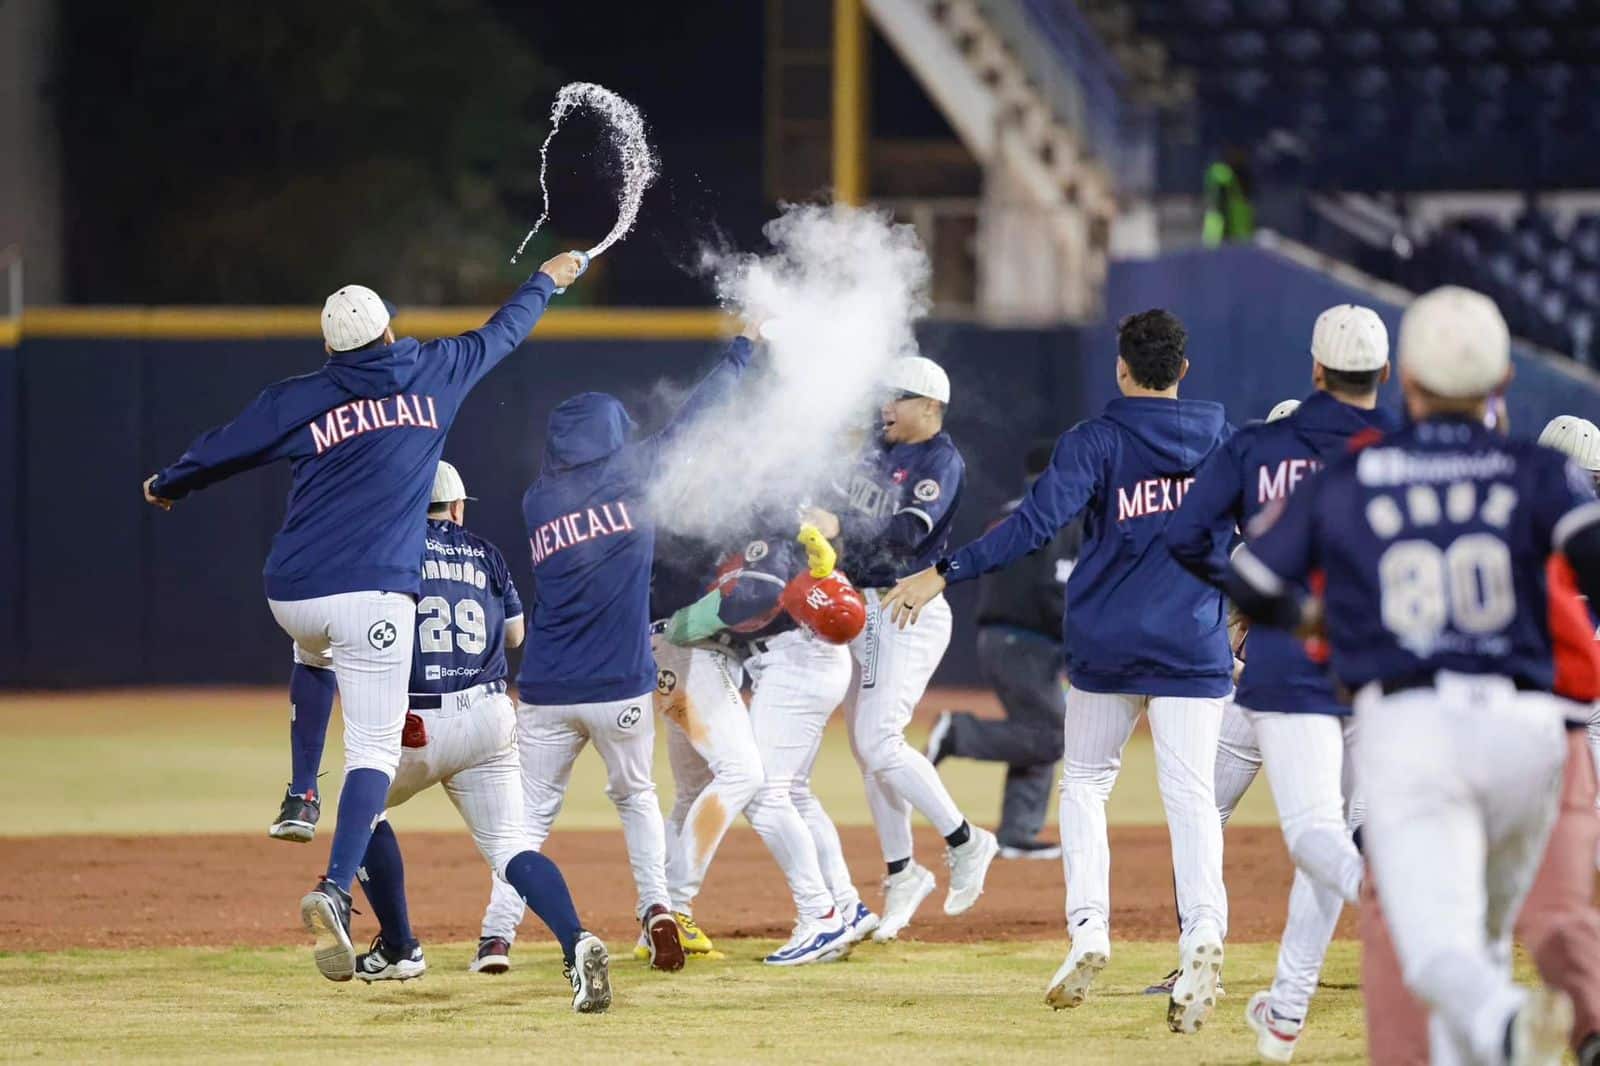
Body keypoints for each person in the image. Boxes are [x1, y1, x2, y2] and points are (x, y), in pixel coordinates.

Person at [140, 253, 585, 980]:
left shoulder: (302, 394)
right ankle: (335, 890)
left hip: (291, 592)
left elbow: (230, 445)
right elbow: (505, 332)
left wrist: (170, 483)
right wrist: (546, 279)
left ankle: (300, 791)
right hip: (376, 598)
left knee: (313, 653)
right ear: (389, 333)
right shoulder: (436, 370)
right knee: (374, 749)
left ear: (330, 348)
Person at [1226, 285, 1600, 1065]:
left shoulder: (1358, 473)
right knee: (1488, 934)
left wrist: (1318, 622)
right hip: (1528, 732)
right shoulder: (1535, 470)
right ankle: (1508, 1027)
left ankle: (1501, 1023)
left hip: (1417, 726)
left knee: (1428, 941)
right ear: (1501, 384)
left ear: (1411, 383)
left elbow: (1255, 581)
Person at [884, 310, 1234, 1035]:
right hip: (1193, 644)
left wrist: (943, 572)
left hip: (1107, 646)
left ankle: (1090, 931)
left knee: (1085, 786)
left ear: (1121, 369)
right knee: (1192, 796)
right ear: (1184, 371)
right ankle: (1202, 930)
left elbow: (1032, 525)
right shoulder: (1223, 444)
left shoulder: (1096, 441)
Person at [1165, 304, 1399, 1062]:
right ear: (1385, 374)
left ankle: (1420, 910)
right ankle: (1287, 1012)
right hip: (1393, 670)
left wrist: (1254, 597)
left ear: (1317, 370)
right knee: (1329, 832)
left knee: (1316, 838)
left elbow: (1186, 535)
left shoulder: (1261, 446)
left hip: (1293, 663)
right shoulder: (1404, 448)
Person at [508, 327, 756, 972]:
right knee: (638, 797)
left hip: (546, 686)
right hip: (620, 680)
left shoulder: (538, 500)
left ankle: (494, 940)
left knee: (526, 820)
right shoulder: (633, 473)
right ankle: (657, 907)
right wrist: (741, 350)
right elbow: (697, 420)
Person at [1357, 410, 1600, 1066]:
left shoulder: (1502, 521)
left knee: (1461, 894)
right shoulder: (1565, 529)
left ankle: (1490, 1006)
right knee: (1559, 899)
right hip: (1566, 714)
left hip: (1522, 716)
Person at [349, 462, 610, 1012]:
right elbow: (515, 634)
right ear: (458, 508)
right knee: (512, 847)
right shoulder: (486, 553)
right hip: (489, 716)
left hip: (417, 722)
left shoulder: (389, 549)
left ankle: (399, 947)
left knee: (364, 810)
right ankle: (577, 941)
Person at [802, 356, 1000, 942]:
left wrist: (839, 527)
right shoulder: (874, 446)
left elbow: (907, 534)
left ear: (931, 407)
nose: (886, 405)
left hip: (904, 604)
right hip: (864, 605)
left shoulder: (941, 461)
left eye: (899, 397)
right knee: (870, 752)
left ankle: (967, 840)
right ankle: (901, 871)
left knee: (879, 740)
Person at [652, 523, 872, 964]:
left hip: (783, 662)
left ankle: (821, 915)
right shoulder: (778, 515)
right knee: (783, 793)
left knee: (762, 791)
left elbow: (750, 595)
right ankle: (844, 905)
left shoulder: (763, 517)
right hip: (769, 659)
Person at [924, 441, 1081, 860]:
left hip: (1000, 635)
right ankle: (958, 733)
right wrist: (1077, 642)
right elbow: (1055, 587)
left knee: (1039, 727)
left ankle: (1017, 834)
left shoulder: (1007, 512)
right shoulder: (1058, 513)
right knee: (1049, 736)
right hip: (1030, 640)